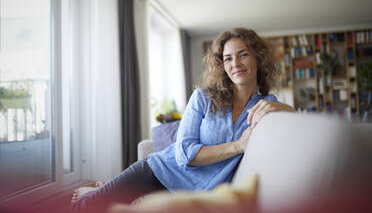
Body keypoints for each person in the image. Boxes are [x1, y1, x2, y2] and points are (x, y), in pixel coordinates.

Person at [72, 27, 295, 213]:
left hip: (193, 193)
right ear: (222, 65)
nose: (235, 63)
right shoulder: (203, 97)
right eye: (228, 58)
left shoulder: (265, 103)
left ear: (258, 58)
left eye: (243, 54)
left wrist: (283, 107)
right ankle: (97, 192)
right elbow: (185, 154)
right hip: (157, 172)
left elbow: (291, 120)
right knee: (85, 207)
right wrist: (238, 146)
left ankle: (105, 189)